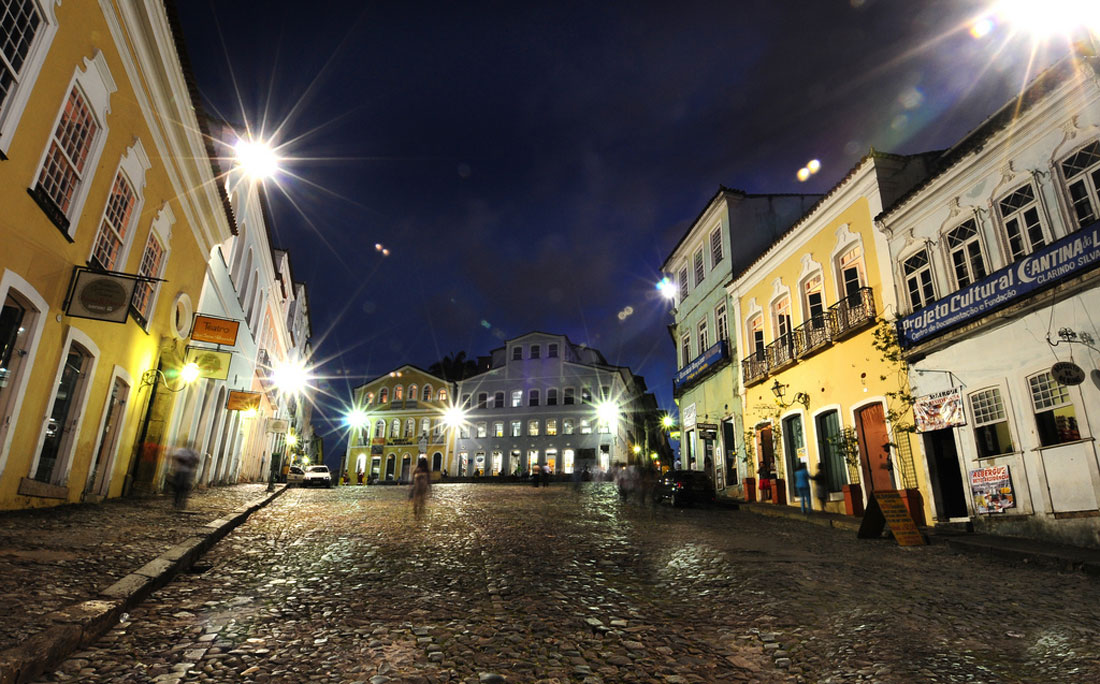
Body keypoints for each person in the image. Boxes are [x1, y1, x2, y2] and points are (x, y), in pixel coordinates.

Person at [171, 442, 200, 509]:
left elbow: (197, 461)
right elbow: (176, 457)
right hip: (182, 472)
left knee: (183, 488)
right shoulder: (182, 451)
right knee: (179, 487)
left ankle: (180, 502)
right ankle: (178, 502)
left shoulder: (192, 452)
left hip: (186, 472)